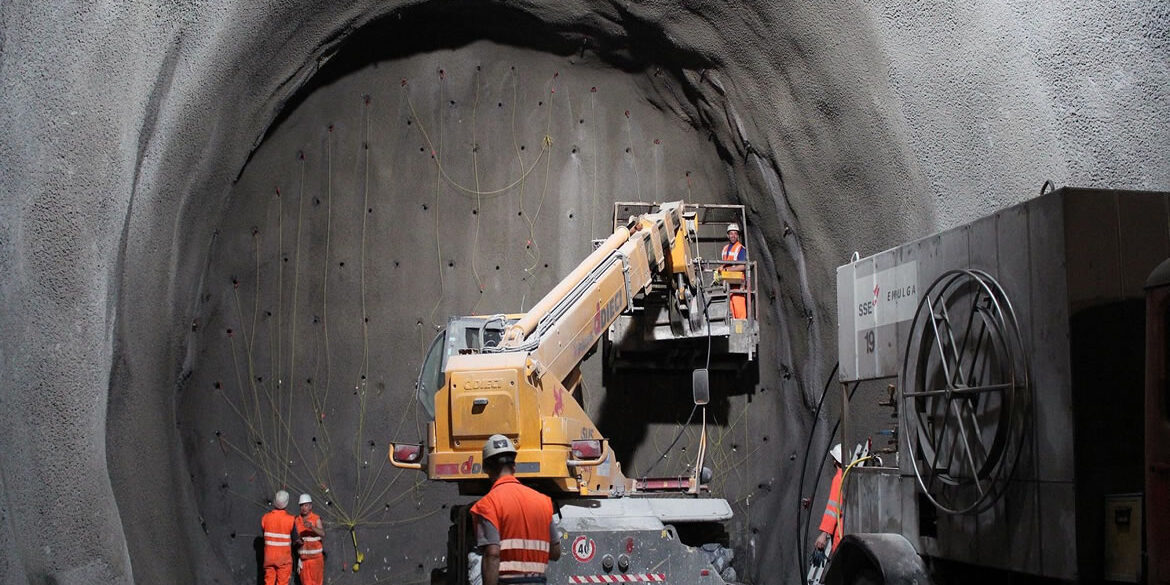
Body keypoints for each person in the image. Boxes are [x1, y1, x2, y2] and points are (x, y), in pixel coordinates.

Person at [470, 434, 561, 585]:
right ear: (514, 466)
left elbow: (492, 555)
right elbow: (555, 552)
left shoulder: (487, 505)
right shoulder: (543, 502)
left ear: (486, 468)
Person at [261, 489, 298, 585]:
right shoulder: (290, 520)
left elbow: (265, 534)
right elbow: (295, 539)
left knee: (268, 582)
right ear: (286, 503)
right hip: (283, 559)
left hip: (269, 557)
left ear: (274, 501)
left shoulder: (265, 518)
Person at [815, 444, 845, 555]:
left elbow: (833, 509)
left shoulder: (839, 479)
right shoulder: (852, 475)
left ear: (835, 461)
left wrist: (823, 534)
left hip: (840, 534)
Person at [294, 493, 325, 585]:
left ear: (310, 506)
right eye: (302, 505)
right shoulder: (296, 520)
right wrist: (297, 542)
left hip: (316, 560)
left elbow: (322, 533)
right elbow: (293, 539)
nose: (304, 508)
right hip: (304, 560)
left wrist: (312, 527)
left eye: (306, 505)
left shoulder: (316, 519)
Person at [721, 223, 749, 319]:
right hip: (728, 285)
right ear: (727, 235)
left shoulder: (740, 249)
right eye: (731, 233)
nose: (733, 236)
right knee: (731, 314)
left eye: (735, 233)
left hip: (738, 285)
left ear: (738, 235)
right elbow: (724, 264)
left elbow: (743, 266)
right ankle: (734, 332)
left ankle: (742, 333)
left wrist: (728, 269)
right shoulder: (725, 249)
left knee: (739, 313)